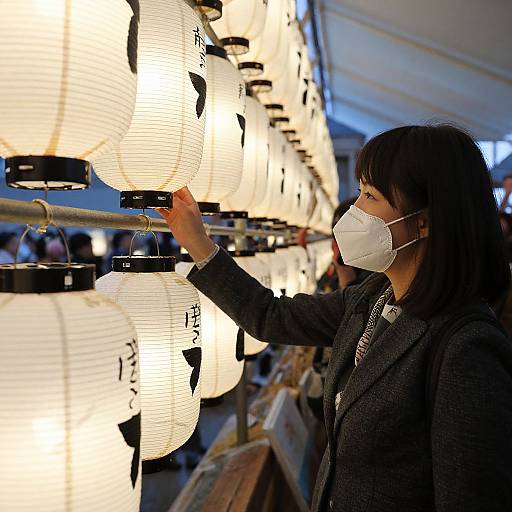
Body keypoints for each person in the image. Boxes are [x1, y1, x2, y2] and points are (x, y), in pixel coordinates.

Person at [158, 124, 512, 512]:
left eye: (369, 196)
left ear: (424, 222)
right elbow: (270, 316)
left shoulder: (466, 348)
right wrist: (198, 242)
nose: (352, 212)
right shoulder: (372, 298)